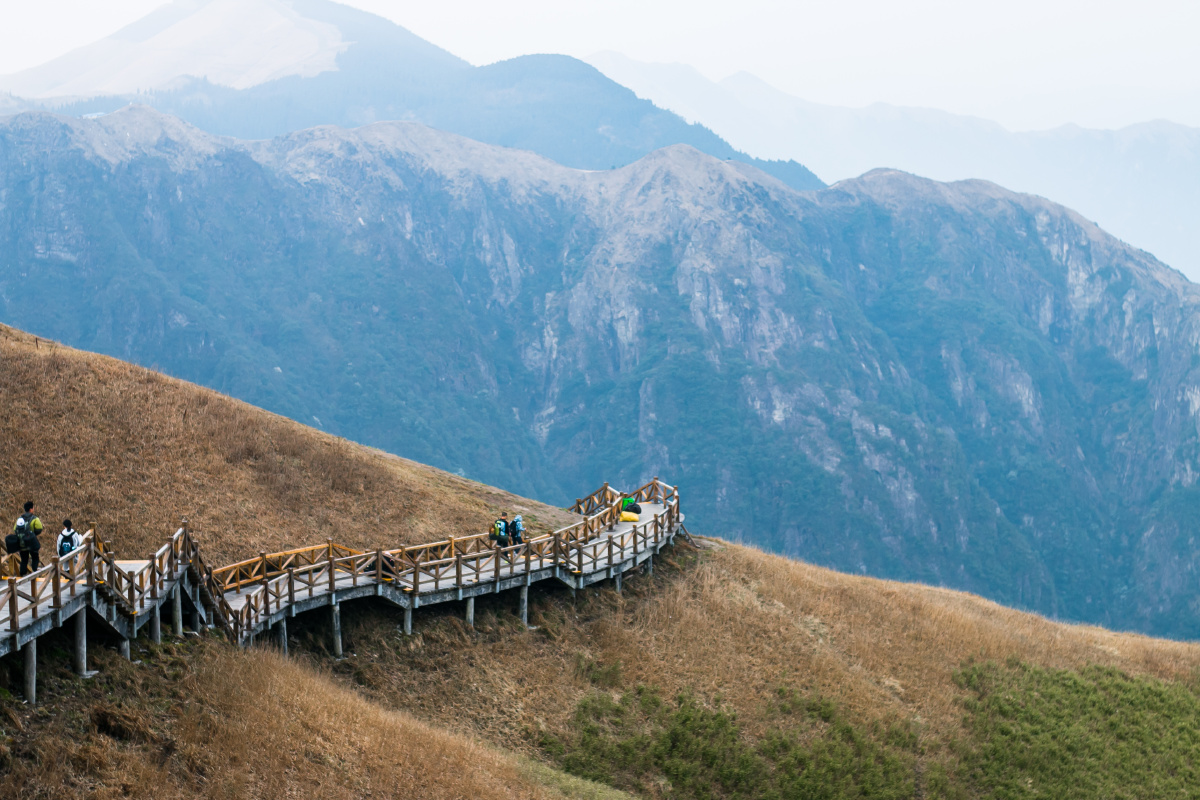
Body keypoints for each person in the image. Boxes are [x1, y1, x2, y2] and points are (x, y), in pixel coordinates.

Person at [14, 501, 43, 576]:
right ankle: (34, 572)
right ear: (31, 509)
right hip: (31, 543)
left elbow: (15, 529)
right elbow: (39, 528)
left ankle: (22, 576)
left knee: (24, 560)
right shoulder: (35, 519)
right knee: (35, 558)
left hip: (22, 543)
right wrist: (33, 534)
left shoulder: (19, 519)